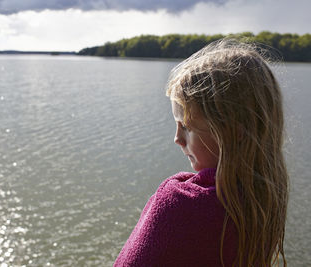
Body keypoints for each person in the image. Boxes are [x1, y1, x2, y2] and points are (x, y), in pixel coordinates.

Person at [114, 39, 289, 267]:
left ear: (232, 131)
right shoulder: (263, 199)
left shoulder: (178, 203)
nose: (177, 139)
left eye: (186, 126)